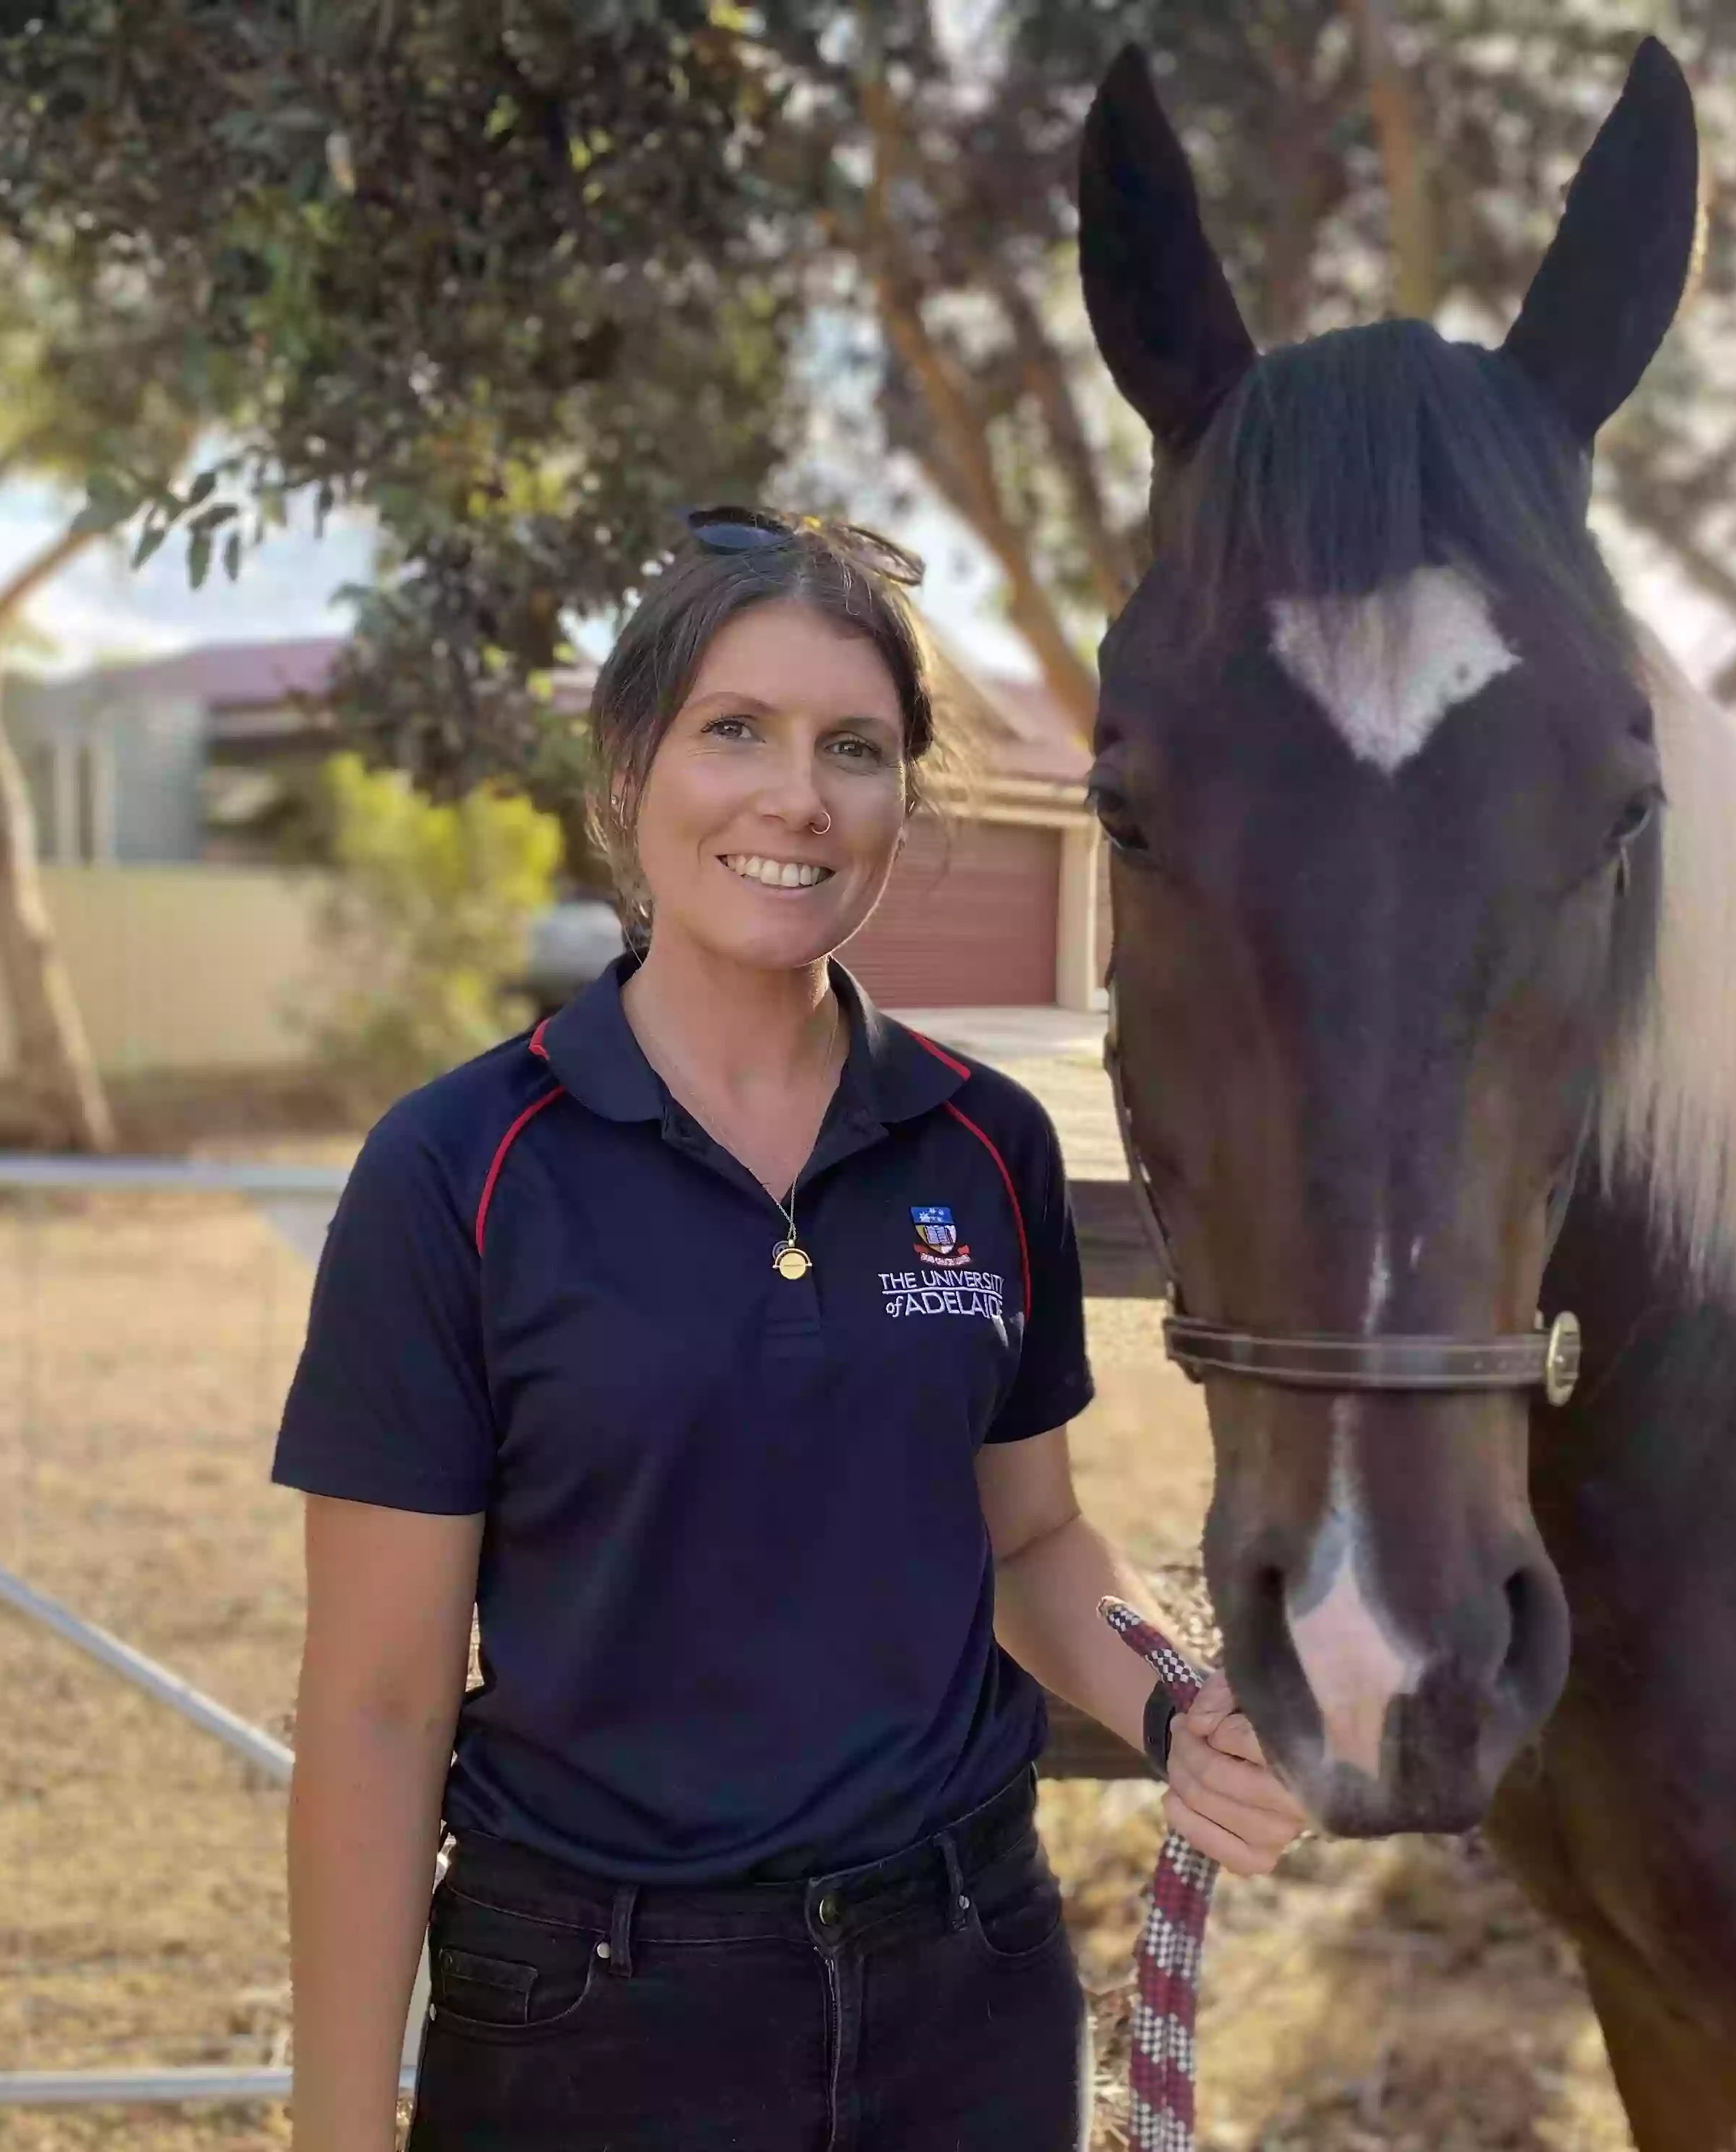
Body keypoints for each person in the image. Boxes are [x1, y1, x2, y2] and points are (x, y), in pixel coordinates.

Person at [272, 506, 1307, 2151]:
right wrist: (337, 2125)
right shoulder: (460, 1169)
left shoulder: (981, 1141)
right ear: (630, 768)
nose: (797, 796)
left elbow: (1030, 1536)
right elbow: (380, 1705)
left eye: (857, 747)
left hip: (967, 1980)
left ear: (904, 801)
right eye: (734, 730)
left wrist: (1180, 1702)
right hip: (589, 2013)